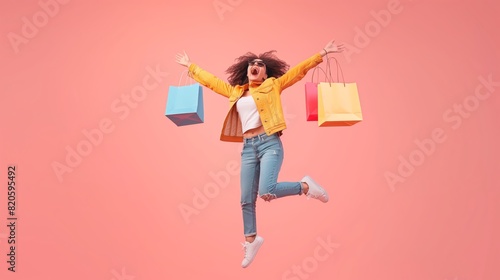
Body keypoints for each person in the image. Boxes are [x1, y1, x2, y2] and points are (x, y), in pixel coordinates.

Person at [175, 40, 345, 268]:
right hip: (247, 148)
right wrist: (191, 67)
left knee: (267, 191)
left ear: (265, 74)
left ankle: (304, 187)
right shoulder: (236, 92)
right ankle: (251, 240)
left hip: (269, 144)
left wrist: (322, 53)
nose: (255, 65)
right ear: (247, 71)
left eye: (260, 64)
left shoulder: (273, 85)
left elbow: (298, 72)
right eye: (251, 64)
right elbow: (213, 83)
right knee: (246, 199)